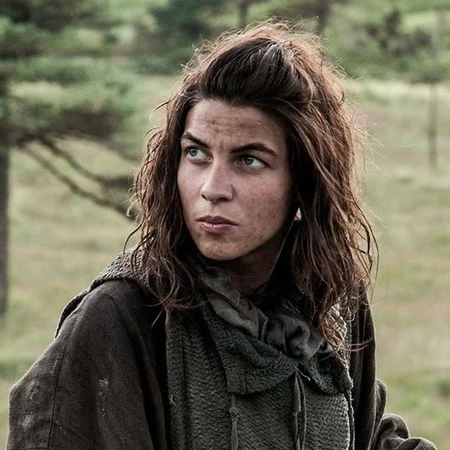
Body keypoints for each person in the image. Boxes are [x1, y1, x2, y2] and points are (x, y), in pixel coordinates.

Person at [7, 22, 436, 450]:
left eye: (249, 160)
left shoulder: (329, 300)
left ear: (303, 181)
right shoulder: (123, 318)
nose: (212, 188)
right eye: (196, 153)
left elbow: (362, 433)